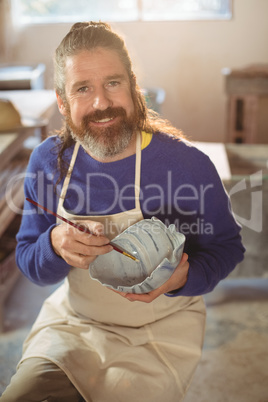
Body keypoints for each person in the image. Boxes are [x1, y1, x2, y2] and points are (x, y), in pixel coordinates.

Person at [1, 21, 245, 402]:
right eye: (83, 88)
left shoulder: (186, 166)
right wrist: (53, 244)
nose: (102, 103)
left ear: (133, 86)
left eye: (113, 83)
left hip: (161, 330)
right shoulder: (48, 162)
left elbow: (228, 248)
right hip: (74, 325)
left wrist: (185, 276)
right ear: (63, 102)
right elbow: (29, 258)